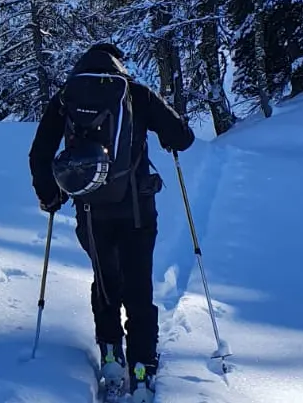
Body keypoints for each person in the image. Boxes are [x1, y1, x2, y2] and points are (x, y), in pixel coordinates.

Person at [28, 42, 194, 402]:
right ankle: (142, 364)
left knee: (105, 279)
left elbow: (39, 153)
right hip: (137, 208)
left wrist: (51, 196)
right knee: (138, 284)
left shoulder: (66, 97)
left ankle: (109, 352)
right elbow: (183, 137)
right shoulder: (135, 94)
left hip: (90, 211)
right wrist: (170, 133)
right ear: (119, 63)